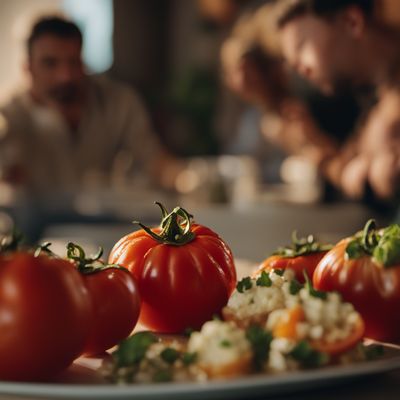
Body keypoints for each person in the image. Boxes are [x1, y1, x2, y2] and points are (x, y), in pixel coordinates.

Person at [0, 16, 178, 194]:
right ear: (28, 68)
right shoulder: (10, 115)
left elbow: (153, 159)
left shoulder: (118, 101)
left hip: (104, 217)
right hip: (34, 220)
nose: (65, 76)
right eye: (50, 63)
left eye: (73, 62)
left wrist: (186, 179)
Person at [277, 0, 400, 202]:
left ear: (352, 22)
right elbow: (348, 173)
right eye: (294, 65)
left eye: (302, 47)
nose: (301, 71)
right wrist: (313, 144)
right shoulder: (374, 100)